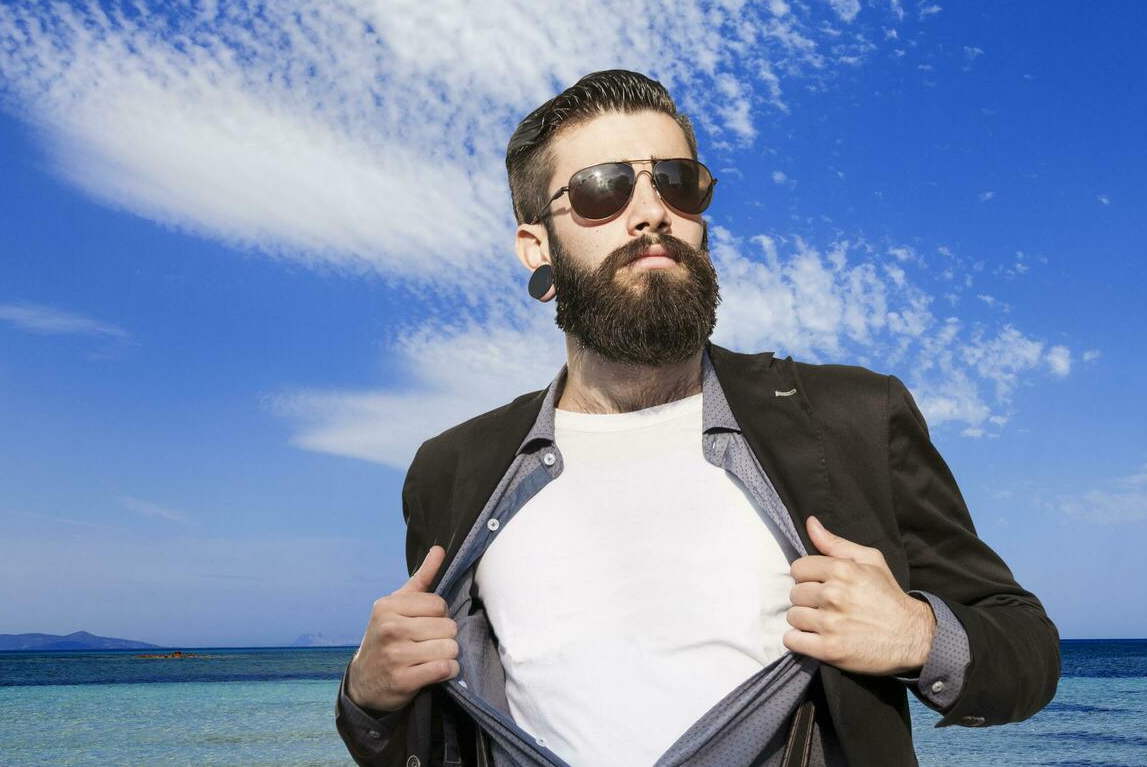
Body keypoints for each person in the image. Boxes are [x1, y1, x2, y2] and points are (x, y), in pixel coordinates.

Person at [334, 70, 1060, 767]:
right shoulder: (453, 468)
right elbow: (420, 734)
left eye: (676, 183)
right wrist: (366, 696)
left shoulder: (852, 418)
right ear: (536, 247)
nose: (651, 211)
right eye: (601, 191)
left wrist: (917, 636)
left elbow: (1026, 650)